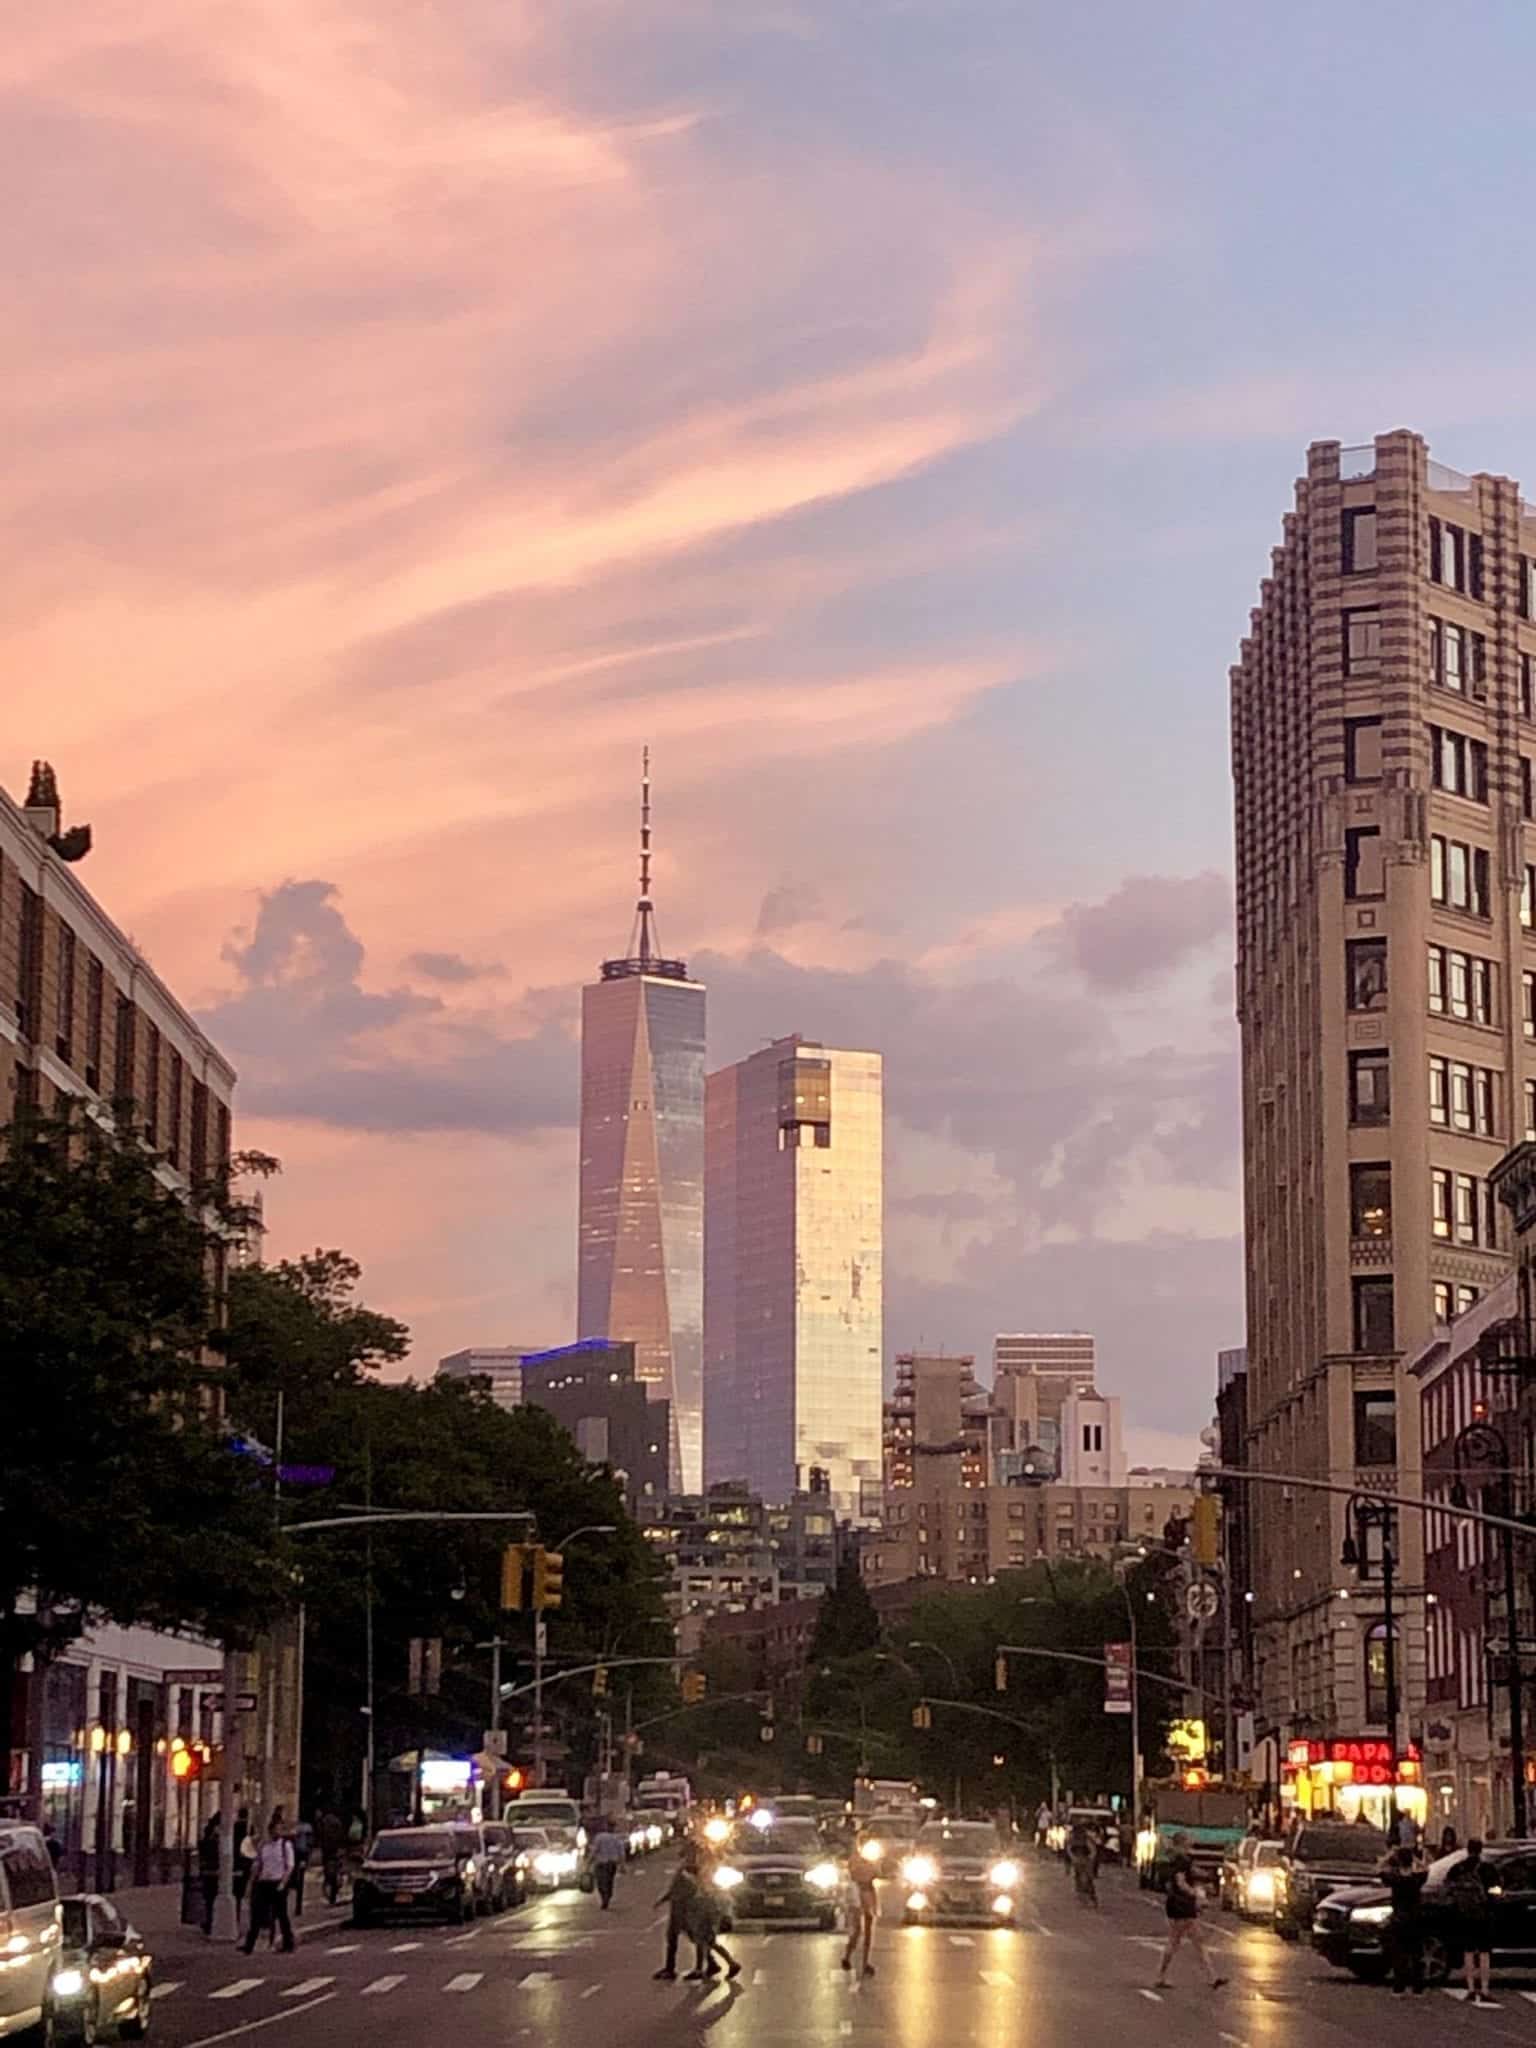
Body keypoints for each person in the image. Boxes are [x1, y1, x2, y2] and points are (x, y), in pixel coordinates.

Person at [1153, 1834, 1226, 1991]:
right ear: (1182, 1843)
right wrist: (1195, 1893)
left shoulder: (1179, 1859)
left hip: (1178, 1904)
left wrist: (1206, 1878)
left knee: (1191, 1941)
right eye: (1188, 1841)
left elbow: (1192, 1872)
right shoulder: (1181, 1861)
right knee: (1178, 1941)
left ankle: (1212, 1977)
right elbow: (1181, 1882)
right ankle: (1161, 1975)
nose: (1191, 1842)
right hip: (1181, 1905)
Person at [1446, 1839, 1496, 2007]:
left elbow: (1448, 1886)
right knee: (1484, 1952)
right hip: (1483, 1914)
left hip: (1464, 1914)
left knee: (1468, 1951)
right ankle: (1485, 1988)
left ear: (1467, 1850)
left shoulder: (1458, 1868)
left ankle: (1470, 1987)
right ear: (1481, 1850)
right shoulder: (1487, 1869)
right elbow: (1496, 1889)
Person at [1378, 1842, 1427, 1995]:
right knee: (1416, 1953)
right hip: (1415, 1917)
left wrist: (1390, 1855)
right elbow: (1426, 1868)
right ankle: (1418, 1987)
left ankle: (1399, 1986)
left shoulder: (1395, 1879)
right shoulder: (1416, 1879)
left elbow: (1380, 1868)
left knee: (1399, 1953)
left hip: (1399, 1917)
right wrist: (1416, 1859)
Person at [241, 1826, 296, 1955]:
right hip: (263, 1882)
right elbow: (258, 1865)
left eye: (279, 1830)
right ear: (270, 1831)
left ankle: (288, 1943)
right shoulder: (264, 1846)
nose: (277, 1832)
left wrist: (283, 1883)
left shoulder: (285, 1846)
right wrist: (252, 1882)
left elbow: (290, 1866)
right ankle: (249, 1945)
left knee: (282, 1915)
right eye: (274, 1830)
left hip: (278, 1883)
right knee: (256, 1915)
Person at [685, 1861, 741, 1982]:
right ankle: (721, 1965)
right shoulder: (703, 1880)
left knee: (704, 1942)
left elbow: (708, 1900)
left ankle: (729, 1964)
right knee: (708, 1942)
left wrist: (708, 1917)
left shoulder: (703, 1882)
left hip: (706, 1915)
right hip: (706, 1915)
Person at [655, 1850, 702, 1981]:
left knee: (697, 1938)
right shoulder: (683, 1868)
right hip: (677, 1908)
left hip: (686, 1909)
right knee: (672, 1938)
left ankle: (705, 1965)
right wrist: (664, 1899)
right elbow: (674, 1887)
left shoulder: (694, 1870)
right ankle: (669, 1968)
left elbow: (693, 1889)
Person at [841, 1842, 878, 1976]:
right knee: (857, 1930)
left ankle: (865, 1963)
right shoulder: (855, 1859)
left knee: (868, 1929)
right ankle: (847, 1956)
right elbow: (855, 1874)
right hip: (857, 1893)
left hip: (868, 1892)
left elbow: (875, 1874)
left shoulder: (872, 1859)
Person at [590, 1817, 625, 1909]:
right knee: (609, 1881)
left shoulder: (599, 1837)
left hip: (601, 1864)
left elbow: (594, 1851)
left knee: (600, 1882)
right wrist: (622, 1865)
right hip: (611, 1864)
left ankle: (604, 1897)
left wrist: (588, 1862)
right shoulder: (617, 1838)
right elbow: (621, 1853)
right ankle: (608, 1896)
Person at [198, 1813, 222, 1936]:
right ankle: (209, 1922)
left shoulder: (210, 1839)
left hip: (211, 1873)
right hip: (211, 1873)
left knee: (209, 1899)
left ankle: (209, 1922)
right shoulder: (211, 1840)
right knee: (210, 1899)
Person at [1066, 1821, 1099, 1908]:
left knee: (1086, 1879)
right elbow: (1069, 1849)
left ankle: (1090, 1898)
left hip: (1085, 1861)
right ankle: (1084, 1898)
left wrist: (1088, 1860)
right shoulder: (1073, 1839)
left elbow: (1093, 1850)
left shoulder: (1086, 1838)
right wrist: (1074, 1858)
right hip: (1079, 1861)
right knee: (1080, 1879)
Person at [318, 1810, 347, 1907]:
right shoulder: (337, 1823)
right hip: (333, 1852)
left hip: (329, 1852)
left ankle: (332, 1895)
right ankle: (332, 1895)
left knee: (330, 1874)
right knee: (334, 1874)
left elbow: (321, 1836)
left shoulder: (324, 1823)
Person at [289, 1815, 314, 1916]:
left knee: (297, 1874)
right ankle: (298, 1906)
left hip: (298, 1852)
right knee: (300, 1877)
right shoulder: (308, 1827)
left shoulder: (298, 1827)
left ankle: (298, 1906)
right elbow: (310, 1841)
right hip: (303, 1853)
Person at [233, 1808, 255, 1923]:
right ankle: (236, 1916)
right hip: (244, 1862)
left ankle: (235, 1915)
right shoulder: (247, 1829)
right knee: (239, 1890)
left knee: (236, 1890)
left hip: (235, 1861)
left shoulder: (235, 1826)